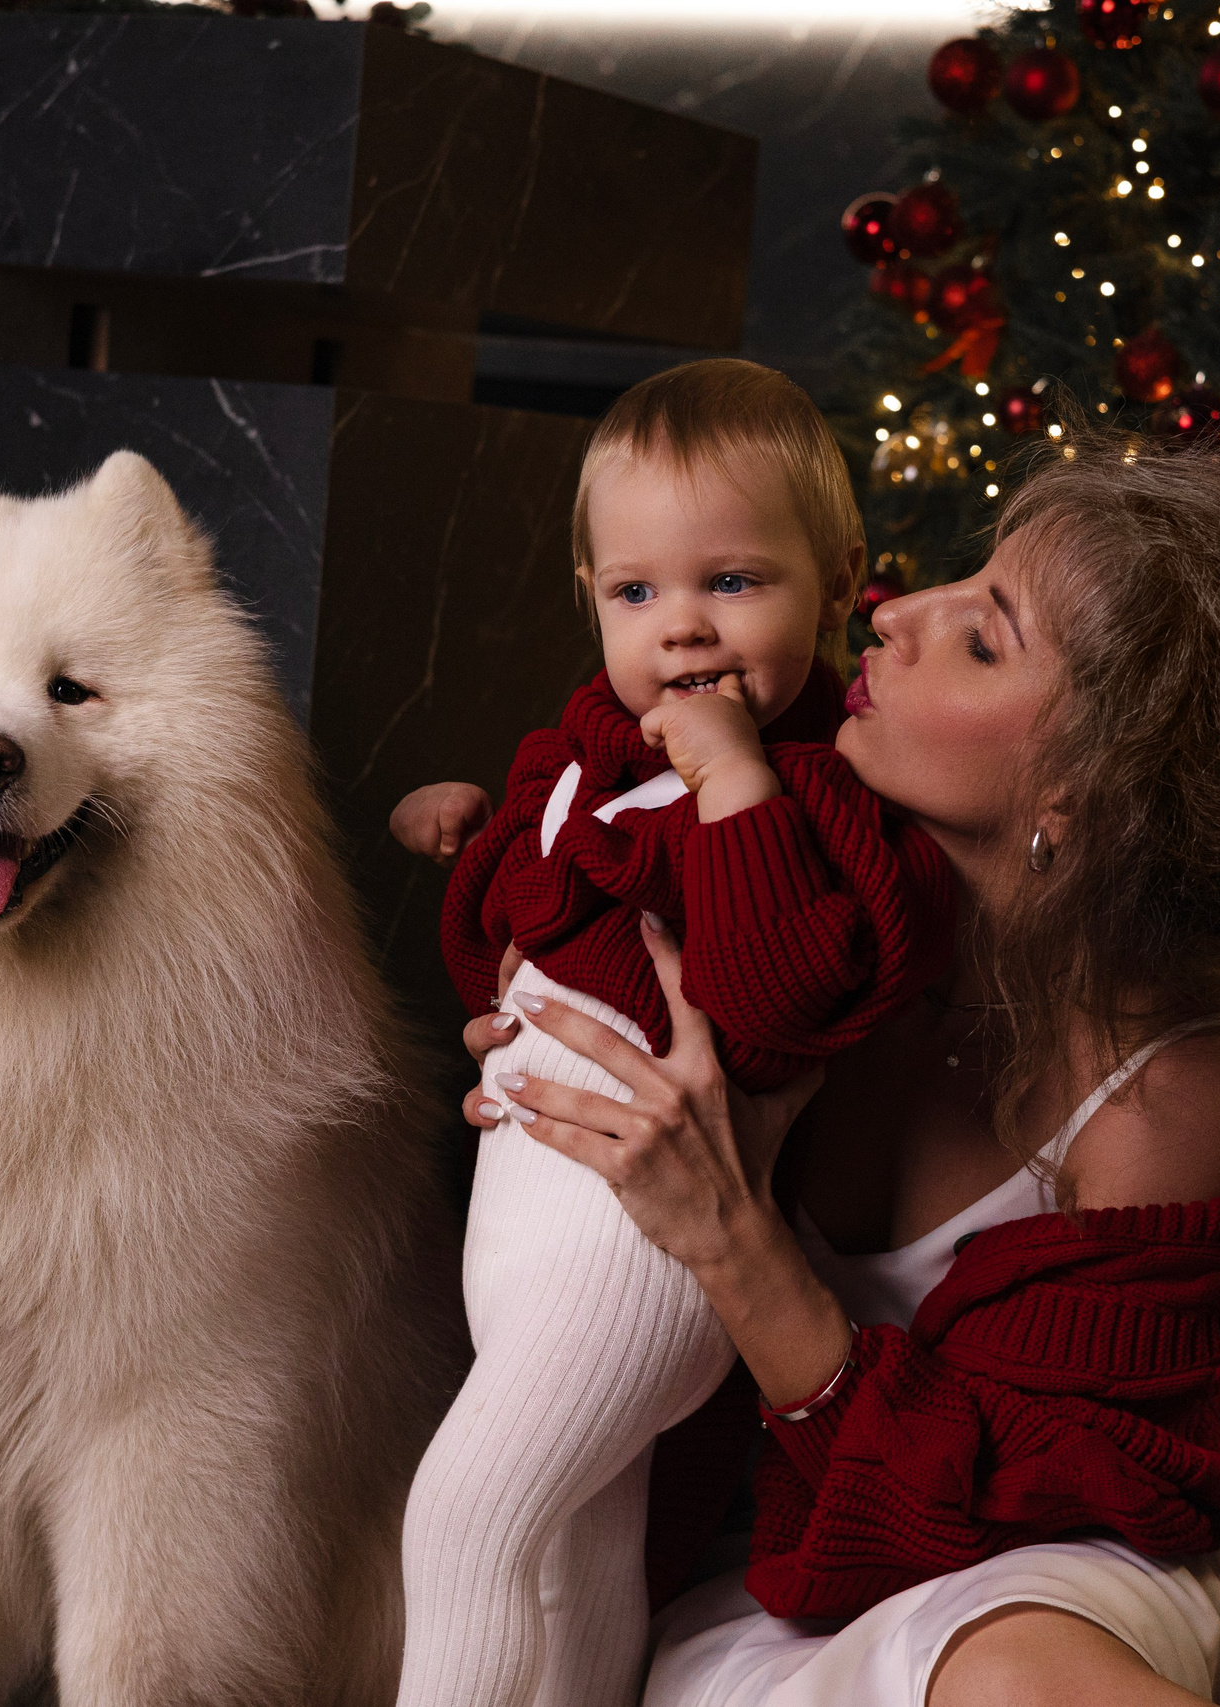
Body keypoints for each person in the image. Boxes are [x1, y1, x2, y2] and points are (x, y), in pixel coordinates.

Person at [454, 434, 1220, 1707]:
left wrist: (730, 1238)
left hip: (1053, 1557)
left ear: (1077, 792)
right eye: (960, 580)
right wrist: (547, 1026)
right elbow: (562, 869)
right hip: (769, 1564)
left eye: (981, 638)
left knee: (1017, 1675)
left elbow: (999, 1500)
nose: (893, 610)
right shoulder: (776, 870)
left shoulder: (1170, 1087)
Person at [387, 359, 954, 1707]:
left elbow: (774, 1006)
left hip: (633, 1246)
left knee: (465, 1517)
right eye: (637, 593)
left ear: (839, 580)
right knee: (574, 1555)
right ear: (591, 595)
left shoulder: (812, 790)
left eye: (734, 581)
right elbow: (505, 968)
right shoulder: (583, 751)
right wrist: (479, 844)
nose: (684, 625)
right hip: (527, 1221)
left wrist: (734, 783)